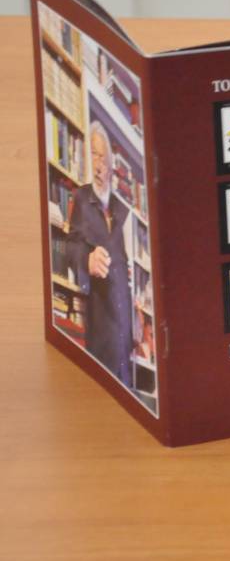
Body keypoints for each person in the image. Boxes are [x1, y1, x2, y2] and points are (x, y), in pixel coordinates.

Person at [67, 122, 135, 388]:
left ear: (110, 167)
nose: (99, 165)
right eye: (94, 155)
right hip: (100, 330)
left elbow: (125, 266)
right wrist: (87, 259)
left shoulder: (121, 210)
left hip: (125, 336)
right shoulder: (82, 199)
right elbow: (70, 246)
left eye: (104, 158)